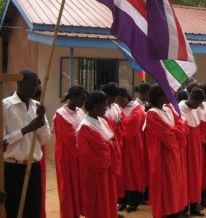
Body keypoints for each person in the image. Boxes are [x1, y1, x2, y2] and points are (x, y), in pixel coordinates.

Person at [3, 69, 51, 218]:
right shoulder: (5, 106)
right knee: (13, 208)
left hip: (33, 166)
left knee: (33, 209)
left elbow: (45, 139)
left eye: (36, 86)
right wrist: (26, 129)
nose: (34, 89)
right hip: (12, 167)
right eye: (31, 86)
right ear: (19, 83)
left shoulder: (38, 107)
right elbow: (3, 141)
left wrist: (41, 121)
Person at [77, 90, 123, 218]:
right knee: (98, 205)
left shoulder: (102, 121)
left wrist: (109, 144)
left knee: (108, 202)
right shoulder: (85, 127)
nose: (105, 108)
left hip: (107, 171)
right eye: (103, 105)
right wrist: (110, 144)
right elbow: (96, 154)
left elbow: (112, 141)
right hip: (96, 174)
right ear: (94, 105)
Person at [145, 84, 188, 217]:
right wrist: (177, 130)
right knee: (165, 184)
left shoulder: (168, 108)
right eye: (168, 93)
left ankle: (175, 210)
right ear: (160, 96)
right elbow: (168, 135)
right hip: (162, 155)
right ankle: (165, 212)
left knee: (175, 183)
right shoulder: (152, 114)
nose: (172, 96)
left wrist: (176, 130)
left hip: (173, 153)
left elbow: (182, 125)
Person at [53, 85, 88, 218]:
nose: (82, 103)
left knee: (79, 185)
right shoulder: (60, 114)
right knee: (67, 187)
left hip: (79, 154)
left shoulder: (80, 111)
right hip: (67, 154)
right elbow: (69, 137)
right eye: (81, 99)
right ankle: (69, 214)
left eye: (84, 100)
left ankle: (78, 212)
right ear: (72, 97)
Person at [116, 87, 145, 213]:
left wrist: (120, 122)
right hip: (120, 143)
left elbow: (133, 124)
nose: (119, 102)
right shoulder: (116, 108)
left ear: (125, 97)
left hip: (132, 143)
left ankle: (133, 202)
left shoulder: (136, 107)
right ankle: (122, 200)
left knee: (132, 172)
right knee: (121, 172)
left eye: (120, 99)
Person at [179, 88, 206, 217]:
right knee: (186, 177)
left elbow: (198, 129)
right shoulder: (180, 108)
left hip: (195, 148)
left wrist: (203, 143)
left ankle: (195, 206)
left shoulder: (195, 109)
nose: (198, 106)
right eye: (198, 103)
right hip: (186, 148)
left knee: (196, 176)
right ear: (192, 99)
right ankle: (184, 209)